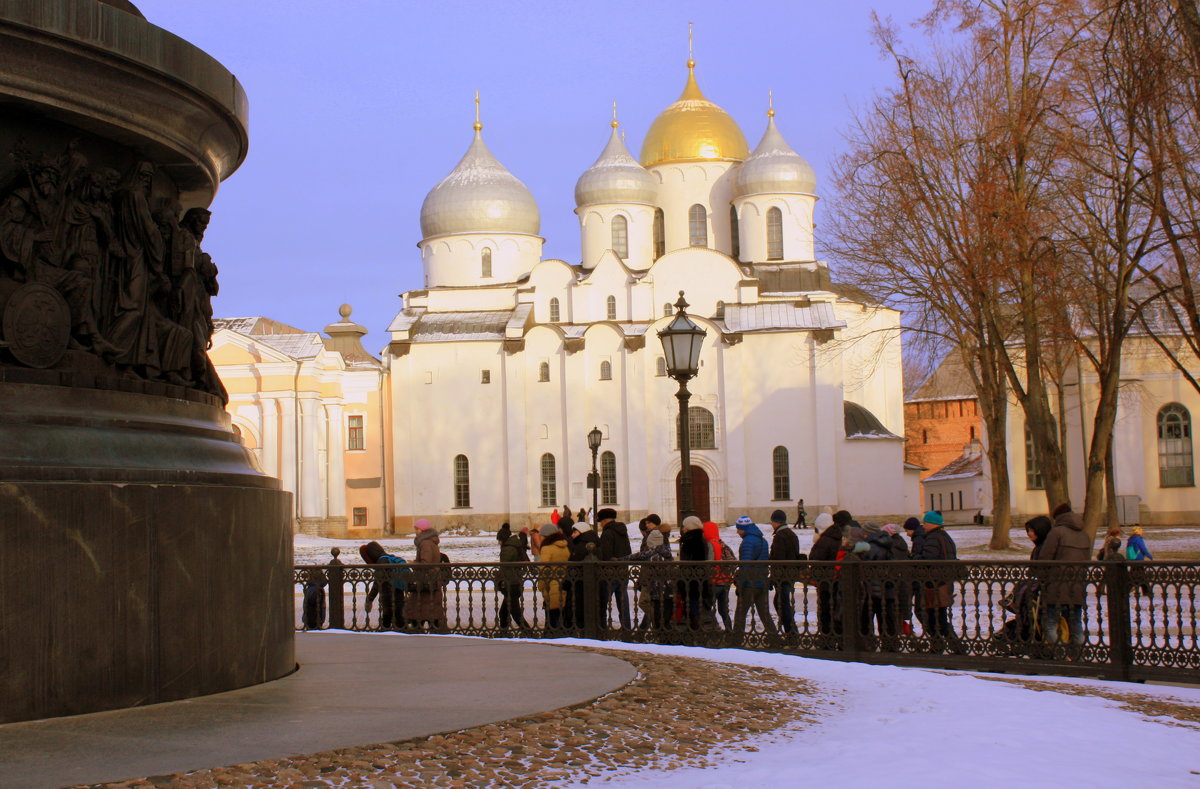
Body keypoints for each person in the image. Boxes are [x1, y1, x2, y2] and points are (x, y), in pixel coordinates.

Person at [1039, 503, 1092, 648]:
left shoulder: (1056, 532)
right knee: (1075, 623)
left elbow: (1045, 558)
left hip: (1056, 586)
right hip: (1076, 586)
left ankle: (1059, 653)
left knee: (1050, 623)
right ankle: (1078, 653)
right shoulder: (1084, 534)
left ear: (1057, 518)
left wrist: (1042, 579)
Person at [914, 510, 959, 650]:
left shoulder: (933, 538)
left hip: (934, 583)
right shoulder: (945, 536)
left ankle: (943, 646)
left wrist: (915, 559)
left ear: (932, 523)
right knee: (939, 616)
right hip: (944, 582)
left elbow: (928, 559)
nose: (923, 526)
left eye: (925, 523)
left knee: (934, 617)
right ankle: (949, 646)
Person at [620, 517, 674, 630]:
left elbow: (640, 555)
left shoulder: (654, 553)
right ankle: (656, 627)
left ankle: (659, 628)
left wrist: (621, 559)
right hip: (666, 588)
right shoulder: (665, 551)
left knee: (649, 606)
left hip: (655, 587)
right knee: (660, 608)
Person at [733, 516, 778, 639]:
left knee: (741, 613)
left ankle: (736, 639)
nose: (737, 532)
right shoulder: (763, 541)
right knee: (764, 613)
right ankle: (774, 638)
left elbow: (745, 565)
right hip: (762, 582)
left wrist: (740, 583)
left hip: (749, 583)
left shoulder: (747, 542)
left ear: (744, 529)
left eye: (738, 529)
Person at [407, 520, 447, 631]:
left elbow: (426, 563)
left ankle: (419, 628)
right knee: (430, 608)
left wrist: (412, 564)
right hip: (431, 580)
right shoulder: (430, 541)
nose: (415, 531)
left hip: (426, 580)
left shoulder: (425, 543)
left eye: (417, 529)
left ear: (422, 530)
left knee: (420, 607)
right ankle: (432, 628)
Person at [596, 508, 633, 629]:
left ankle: (602, 629)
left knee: (602, 602)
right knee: (623, 603)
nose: (600, 524)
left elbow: (605, 554)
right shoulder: (622, 531)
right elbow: (628, 551)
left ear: (605, 521)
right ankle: (626, 628)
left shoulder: (607, 533)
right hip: (623, 570)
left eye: (601, 522)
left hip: (610, 573)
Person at [360, 540, 408, 631]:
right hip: (398, 591)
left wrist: (370, 598)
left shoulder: (382, 561)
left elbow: (378, 582)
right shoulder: (390, 557)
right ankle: (401, 633)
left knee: (389, 618)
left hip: (388, 594)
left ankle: (388, 634)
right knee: (398, 616)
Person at [862, 522, 899, 640]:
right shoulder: (887, 542)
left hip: (873, 587)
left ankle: (868, 644)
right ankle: (890, 644)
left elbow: (865, 567)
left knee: (867, 619)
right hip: (887, 586)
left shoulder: (871, 546)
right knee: (887, 619)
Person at [768, 509, 800, 634]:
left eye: (772, 521)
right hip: (790, 574)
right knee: (782, 602)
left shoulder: (780, 537)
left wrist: (774, 577)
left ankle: (791, 632)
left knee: (781, 603)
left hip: (782, 576)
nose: (771, 524)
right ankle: (791, 631)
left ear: (776, 522)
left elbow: (779, 559)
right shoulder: (792, 534)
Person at [810, 511, 843, 635]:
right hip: (835, 578)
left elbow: (816, 557)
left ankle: (826, 638)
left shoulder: (825, 540)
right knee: (835, 609)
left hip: (825, 579)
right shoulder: (837, 536)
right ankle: (837, 637)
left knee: (825, 610)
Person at [568, 519, 600, 629]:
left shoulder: (581, 545)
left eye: (575, 532)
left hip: (580, 582)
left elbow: (573, 563)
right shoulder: (595, 541)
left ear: (581, 532)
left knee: (580, 607)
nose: (572, 535)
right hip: (592, 582)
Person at [537, 523, 570, 630]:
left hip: (551, 585)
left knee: (552, 616)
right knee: (561, 613)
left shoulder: (547, 548)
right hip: (564, 583)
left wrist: (540, 586)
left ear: (546, 536)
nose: (540, 537)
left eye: (541, 535)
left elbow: (544, 570)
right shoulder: (564, 546)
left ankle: (553, 637)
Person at [678, 516, 709, 630]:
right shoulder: (701, 539)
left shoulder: (690, 540)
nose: (683, 529)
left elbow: (688, 560)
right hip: (699, 576)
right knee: (695, 602)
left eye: (685, 526)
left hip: (691, 578)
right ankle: (696, 627)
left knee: (692, 603)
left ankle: (695, 628)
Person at [703, 520, 734, 630]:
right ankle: (729, 629)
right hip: (726, 581)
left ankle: (713, 628)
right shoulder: (722, 543)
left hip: (715, 580)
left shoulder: (711, 544)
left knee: (707, 606)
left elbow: (710, 563)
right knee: (723, 609)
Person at [498, 526, 530, 630]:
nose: (498, 543)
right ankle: (504, 633)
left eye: (499, 540)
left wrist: (499, 580)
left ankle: (528, 632)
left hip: (511, 583)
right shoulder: (515, 545)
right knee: (504, 612)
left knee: (515, 613)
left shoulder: (508, 549)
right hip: (515, 582)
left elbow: (504, 566)